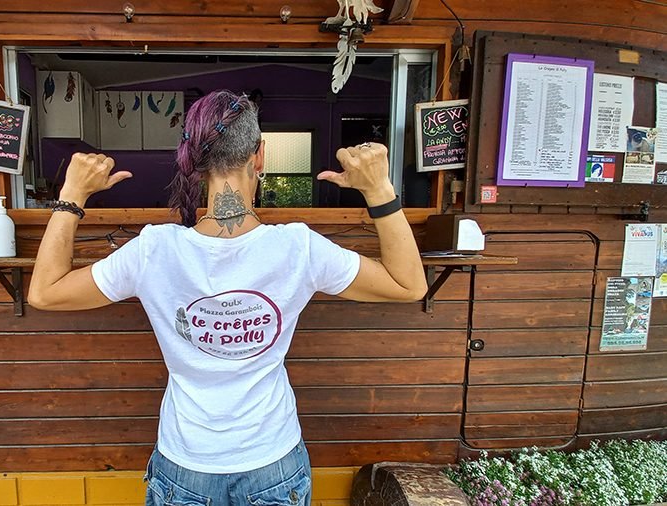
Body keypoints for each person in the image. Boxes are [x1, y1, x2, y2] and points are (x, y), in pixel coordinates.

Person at [28, 90, 427, 506]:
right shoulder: (299, 248)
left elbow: (44, 292)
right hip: (272, 462)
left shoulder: (153, 250)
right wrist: (379, 190)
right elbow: (409, 285)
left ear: (196, 163)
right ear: (260, 156)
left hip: (186, 464)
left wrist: (72, 195)